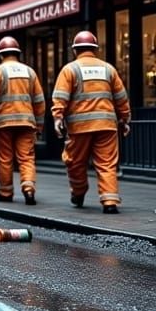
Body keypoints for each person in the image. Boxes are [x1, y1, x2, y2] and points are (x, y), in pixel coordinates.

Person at [51, 30, 131, 214]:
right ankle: (110, 200)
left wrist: (58, 118)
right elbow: (121, 97)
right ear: (95, 49)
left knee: (75, 163)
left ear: (75, 50)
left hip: (80, 127)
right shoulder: (108, 69)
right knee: (107, 163)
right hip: (107, 125)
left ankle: (78, 193)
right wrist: (125, 119)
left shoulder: (69, 69)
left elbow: (60, 97)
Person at [0, 37, 45, 205]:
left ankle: (5, 193)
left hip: (4, 124)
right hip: (26, 122)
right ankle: (29, 190)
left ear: (1, 55)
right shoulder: (30, 72)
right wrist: (39, 124)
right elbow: (39, 101)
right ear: (18, 53)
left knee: (5, 158)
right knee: (27, 158)